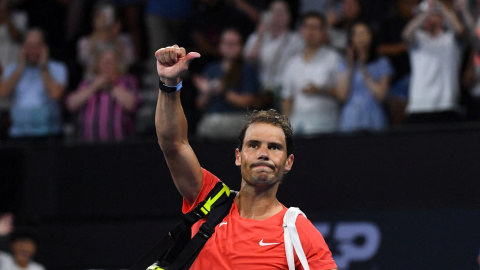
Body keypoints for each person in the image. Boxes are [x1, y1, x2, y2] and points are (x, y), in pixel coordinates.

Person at [154, 45, 337, 269]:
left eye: (274, 147)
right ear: (238, 156)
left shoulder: (298, 232)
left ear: (288, 162)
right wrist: (168, 84)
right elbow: (173, 144)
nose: (263, 154)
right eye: (254, 145)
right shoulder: (208, 199)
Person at [402, 0, 464, 123]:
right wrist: (427, 12)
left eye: (433, 14)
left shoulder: (450, 40)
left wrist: (442, 9)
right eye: (423, 14)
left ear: (441, 17)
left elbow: (460, 30)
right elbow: (406, 34)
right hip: (419, 106)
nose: (428, 17)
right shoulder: (418, 39)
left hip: (447, 105)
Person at [281, 12, 342, 136]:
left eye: (316, 28)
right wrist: (286, 128)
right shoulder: (292, 63)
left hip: (325, 125)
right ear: (301, 30)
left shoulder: (334, 58)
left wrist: (321, 89)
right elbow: (287, 98)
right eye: (307, 27)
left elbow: (342, 93)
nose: (311, 32)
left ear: (324, 32)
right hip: (298, 125)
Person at [0, 28, 67, 139]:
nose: (32, 51)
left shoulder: (57, 68)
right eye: (28, 46)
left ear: (44, 48)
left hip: (48, 134)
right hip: (18, 133)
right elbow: (2, 92)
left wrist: (43, 67)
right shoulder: (13, 69)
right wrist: (20, 67)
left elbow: (56, 94)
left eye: (36, 47)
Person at [193, 28, 259, 139]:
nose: (230, 47)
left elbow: (249, 101)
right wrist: (207, 92)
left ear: (240, 46)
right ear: (220, 46)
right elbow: (199, 104)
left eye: (233, 43)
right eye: (226, 43)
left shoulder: (246, 69)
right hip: (213, 117)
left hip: (236, 116)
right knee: (205, 125)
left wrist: (222, 91)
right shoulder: (211, 69)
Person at [66, 48, 141, 142]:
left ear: (118, 65)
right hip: (89, 145)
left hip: (121, 144)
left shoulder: (127, 81)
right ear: (97, 65)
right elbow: (71, 105)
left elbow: (132, 105)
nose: (106, 66)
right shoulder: (87, 83)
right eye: (103, 62)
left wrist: (110, 87)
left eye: (110, 62)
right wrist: (94, 87)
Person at [243, 0, 303, 110]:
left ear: (289, 16)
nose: (277, 15)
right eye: (273, 11)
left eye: (281, 11)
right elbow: (249, 61)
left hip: (284, 91)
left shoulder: (296, 40)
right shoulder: (256, 37)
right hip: (261, 91)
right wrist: (260, 36)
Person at [337, 21, 393, 132]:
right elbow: (342, 96)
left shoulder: (382, 63)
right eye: (355, 34)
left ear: (371, 36)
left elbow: (381, 95)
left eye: (363, 33)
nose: (359, 37)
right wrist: (350, 67)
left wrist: (363, 68)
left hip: (374, 117)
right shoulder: (344, 65)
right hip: (350, 118)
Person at [77, 2, 136, 72]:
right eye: (102, 18)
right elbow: (84, 61)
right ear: (94, 21)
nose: (105, 22)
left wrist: (115, 38)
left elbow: (130, 61)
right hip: (93, 79)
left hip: (118, 78)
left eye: (109, 18)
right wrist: (96, 37)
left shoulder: (125, 39)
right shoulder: (84, 41)